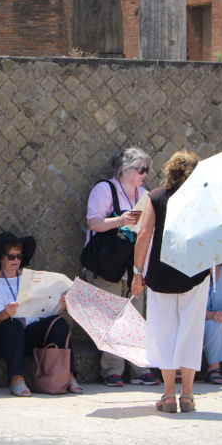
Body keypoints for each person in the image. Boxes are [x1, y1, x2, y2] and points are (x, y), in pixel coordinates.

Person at [132, 150, 210, 413]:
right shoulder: (202, 197)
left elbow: (144, 235)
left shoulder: (155, 196)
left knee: (163, 332)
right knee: (191, 331)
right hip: (195, 272)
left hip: (161, 274)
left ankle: (167, 395)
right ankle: (187, 395)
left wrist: (137, 272)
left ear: (170, 170)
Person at [85, 147, 160, 387]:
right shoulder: (104, 189)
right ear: (125, 169)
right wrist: (120, 220)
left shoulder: (145, 195)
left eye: (147, 170)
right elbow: (94, 223)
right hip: (107, 266)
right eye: (141, 169)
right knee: (111, 318)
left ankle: (140, 369)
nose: (144, 174)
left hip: (133, 267)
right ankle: (112, 371)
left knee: (136, 318)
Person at [0, 232, 82, 397]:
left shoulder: (30, 277)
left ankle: (67, 376)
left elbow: (44, 313)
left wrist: (60, 304)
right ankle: (17, 380)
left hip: (26, 334)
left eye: (19, 256)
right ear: (1, 258)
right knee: (13, 325)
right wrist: (7, 312)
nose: (16, 260)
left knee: (59, 322)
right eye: (11, 256)